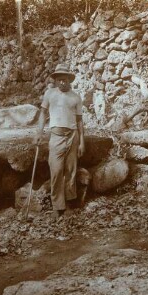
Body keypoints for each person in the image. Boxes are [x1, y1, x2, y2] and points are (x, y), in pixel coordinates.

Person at [34, 64, 85, 218]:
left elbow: (80, 121)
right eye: (59, 79)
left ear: (69, 80)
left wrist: (82, 141)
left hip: (72, 136)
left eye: (65, 79)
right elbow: (43, 114)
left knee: (70, 171)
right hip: (56, 137)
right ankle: (57, 206)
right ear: (55, 80)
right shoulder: (49, 94)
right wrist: (39, 133)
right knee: (56, 171)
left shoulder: (75, 97)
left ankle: (69, 204)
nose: (62, 82)